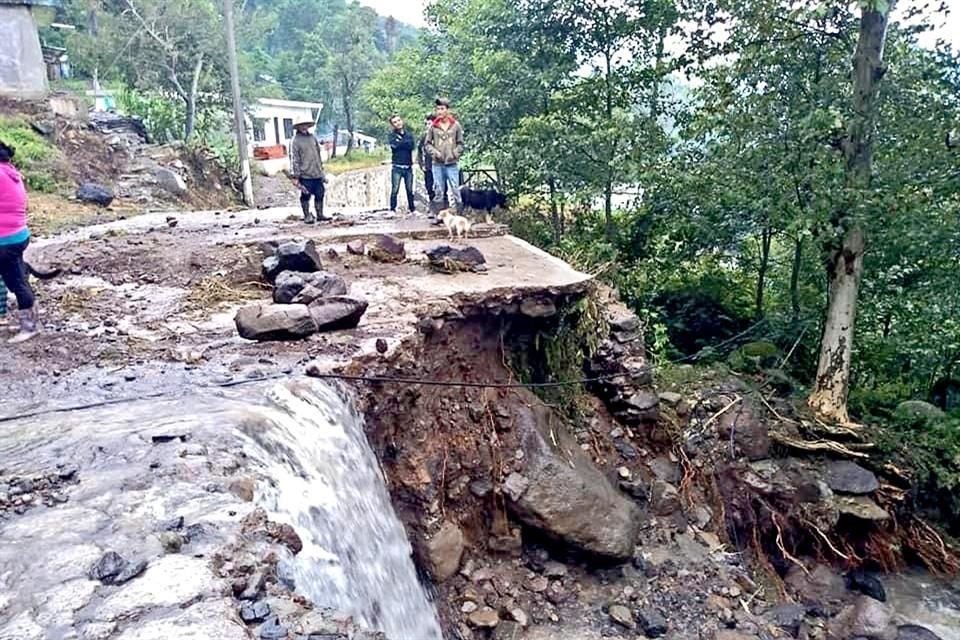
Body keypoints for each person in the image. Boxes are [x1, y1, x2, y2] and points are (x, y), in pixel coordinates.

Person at [0, 140, 38, 343]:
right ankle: (30, 318)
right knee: (16, 278)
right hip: (18, 234)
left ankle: (29, 327)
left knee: (16, 282)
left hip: (5, 240)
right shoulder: (9, 170)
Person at [424, 97, 464, 222]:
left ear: (447, 110)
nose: (439, 111)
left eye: (442, 109)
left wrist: (455, 153)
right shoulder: (433, 127)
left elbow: (461, 144)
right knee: (439, 190)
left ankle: (459, 215)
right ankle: (439, 216)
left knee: (456, 189)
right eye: (437, 109)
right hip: (438, 164)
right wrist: (434, 152)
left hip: (452, 163)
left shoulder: (455, 125)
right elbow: (427, 144)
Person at [289, 119, 329, 224]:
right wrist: (295, 176)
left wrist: (322, 172)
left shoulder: (312, 138)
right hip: (305, 174)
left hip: (316, 173)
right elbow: (294, 159)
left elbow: (318, 156)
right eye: (301, 125)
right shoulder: (295, 141)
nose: (304, 127)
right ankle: (307, 216)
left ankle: (320, 214)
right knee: (306, 195)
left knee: (320, 193)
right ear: (297, 127)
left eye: (306, 125)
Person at [388, 115, 416, 213]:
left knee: (409, 189)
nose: (398, 123)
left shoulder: (409, 134)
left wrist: (401, 142)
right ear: (392, 125)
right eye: (395, 122)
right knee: (395, 189)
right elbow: (394, 146)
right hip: (397, 167)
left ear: (402, 121)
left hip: (408, 166)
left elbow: (411, 146)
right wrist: (403, 143)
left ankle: (412, 209)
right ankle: (392, 209)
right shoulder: (391, 136)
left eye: (399, 120)